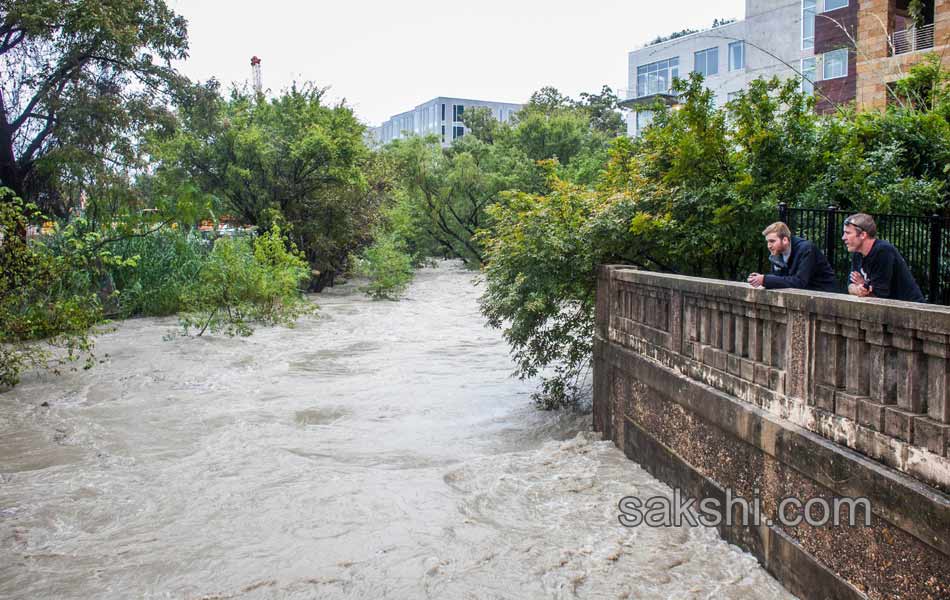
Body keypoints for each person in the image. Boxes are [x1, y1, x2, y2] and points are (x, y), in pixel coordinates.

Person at [842, 213, 924, 302]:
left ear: (862, 235)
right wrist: (860, 290)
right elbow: (850, 286)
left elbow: (880, 297)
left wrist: (863, 288)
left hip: (908, 308)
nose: (843, 237)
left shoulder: (883, 251)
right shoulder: (857, 252)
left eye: (848, 233)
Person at [747, 222, 840, 293]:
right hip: (806, 296)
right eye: (767, 242)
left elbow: (799, 282)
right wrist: (761, 279)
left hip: (825, 296)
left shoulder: (806, 249)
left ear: (785, 240)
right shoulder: (777, 254)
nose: (769, 246)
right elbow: (781, 280)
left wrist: (765, 279)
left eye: (772, 241)